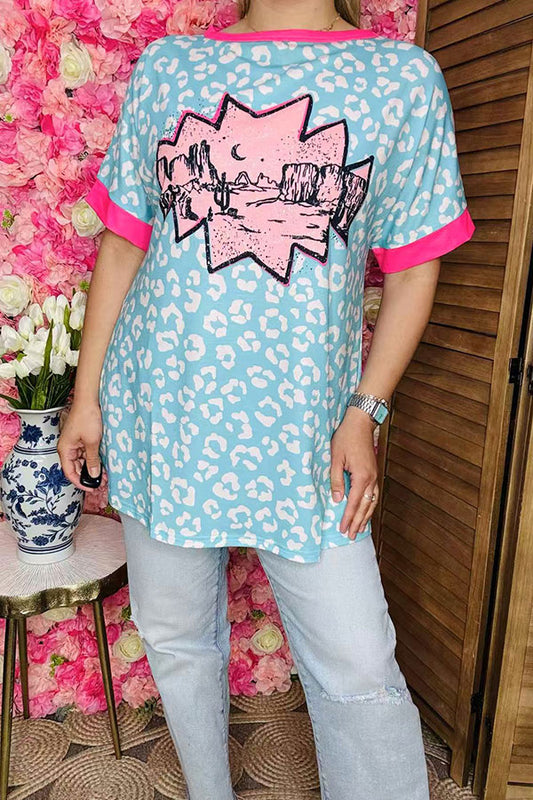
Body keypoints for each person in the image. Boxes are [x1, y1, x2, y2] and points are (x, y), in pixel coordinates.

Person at [58, 0, 475, 797]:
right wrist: (86, 400)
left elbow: (414, 266)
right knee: (176, 633)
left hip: (309, 430)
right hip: (163, 406)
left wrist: (365, 411)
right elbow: (123, 244)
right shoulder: (171, 68)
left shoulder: (399, 78)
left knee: (357, 660)